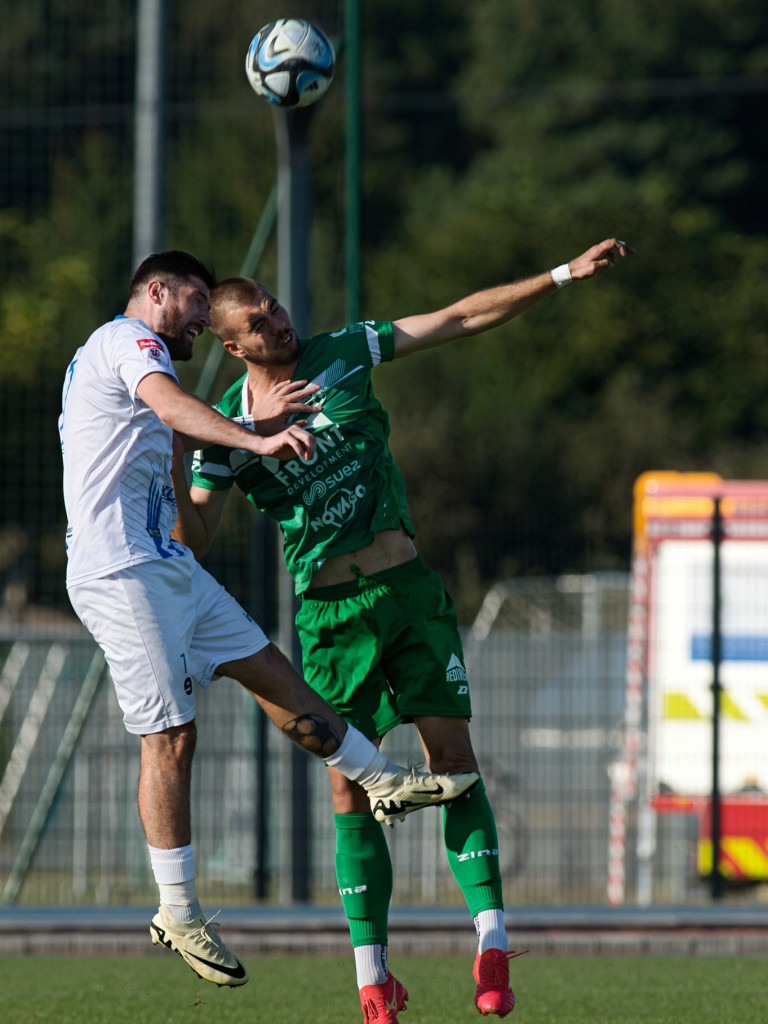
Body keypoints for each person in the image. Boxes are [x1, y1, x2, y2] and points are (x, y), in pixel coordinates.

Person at [173, 238, 635, 1019]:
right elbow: (194, 540)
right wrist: (188, 446)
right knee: (351, 788)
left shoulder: (345, 352)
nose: (278, 324)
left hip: (409, 591)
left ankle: (491, 943)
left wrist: (560, 276)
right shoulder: (224, 430)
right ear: (231, 345)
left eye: (277, 307)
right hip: (329, 619)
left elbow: (457, 318)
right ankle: (372, 980)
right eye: (258, 321)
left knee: (453, 762)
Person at [57, 250, 478, 990]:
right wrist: (254, 437)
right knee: (172, 736)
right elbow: (167, 405)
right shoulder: (130, 342)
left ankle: (379, 778)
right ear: (158, 291)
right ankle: (177, 910)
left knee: (270, 670)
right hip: (121, 570)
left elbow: (177, 442)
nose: (200, 314)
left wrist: (226, 432)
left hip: (165, 563)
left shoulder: (135, 357)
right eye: (194, 301)